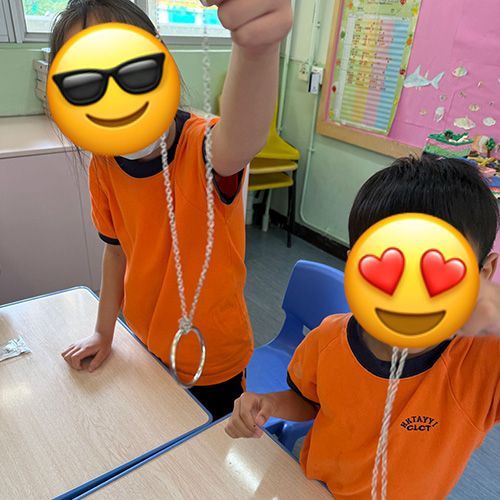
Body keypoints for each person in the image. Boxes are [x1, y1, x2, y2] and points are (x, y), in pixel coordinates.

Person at [51, 0, 293, 420]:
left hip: (210, 355)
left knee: (208, 451)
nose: (113, 95)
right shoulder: (104, 165)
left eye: (131, 68)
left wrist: (258, 48)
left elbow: (242, 138)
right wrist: (104, 332)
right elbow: (115, 251)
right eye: (85, 82)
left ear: (159, 58)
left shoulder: (202, 148)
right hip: (145, 343)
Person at [225, 156, 500, 499]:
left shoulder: (482, 364)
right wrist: (268, 403)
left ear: (484, 273)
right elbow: (308, 402)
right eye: (388, 267)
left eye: (439, 271)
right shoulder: (328, 339)